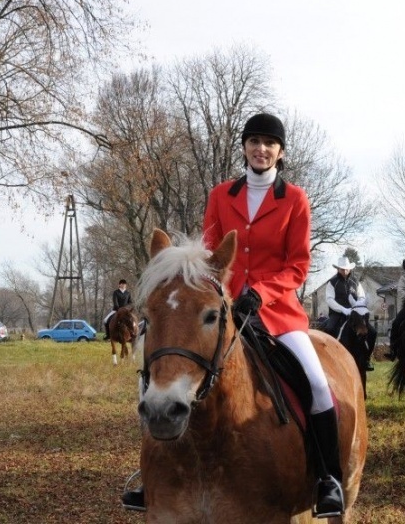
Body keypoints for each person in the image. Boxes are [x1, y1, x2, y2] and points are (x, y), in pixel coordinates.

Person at [122, 113, 347, 518]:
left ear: (280, 151)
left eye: (269, 143)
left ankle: (329, 477)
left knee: (316, 383)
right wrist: (218, 290)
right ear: (244, 146)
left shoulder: (294, 199)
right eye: (254, 141)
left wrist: (259, 294)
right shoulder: (220, 195)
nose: (261, 149)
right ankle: (150, 477)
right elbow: (211, 256)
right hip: (220, 305)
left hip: (276, 312)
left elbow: (297, 266)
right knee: (161, 378)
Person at [323, 257, 377, 371]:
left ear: (349, 269)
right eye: (342, 269)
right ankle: (328, 358)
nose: (345, 271)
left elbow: (361, 296)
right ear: (338, 269)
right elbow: (329, 300)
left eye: (346, 269)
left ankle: (367, 359)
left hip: (356, 314)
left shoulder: (355, 282)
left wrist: (357, 306)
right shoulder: (332, 283)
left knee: (372, 332)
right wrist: (343, 309)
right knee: (329, 328)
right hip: (337, 314)